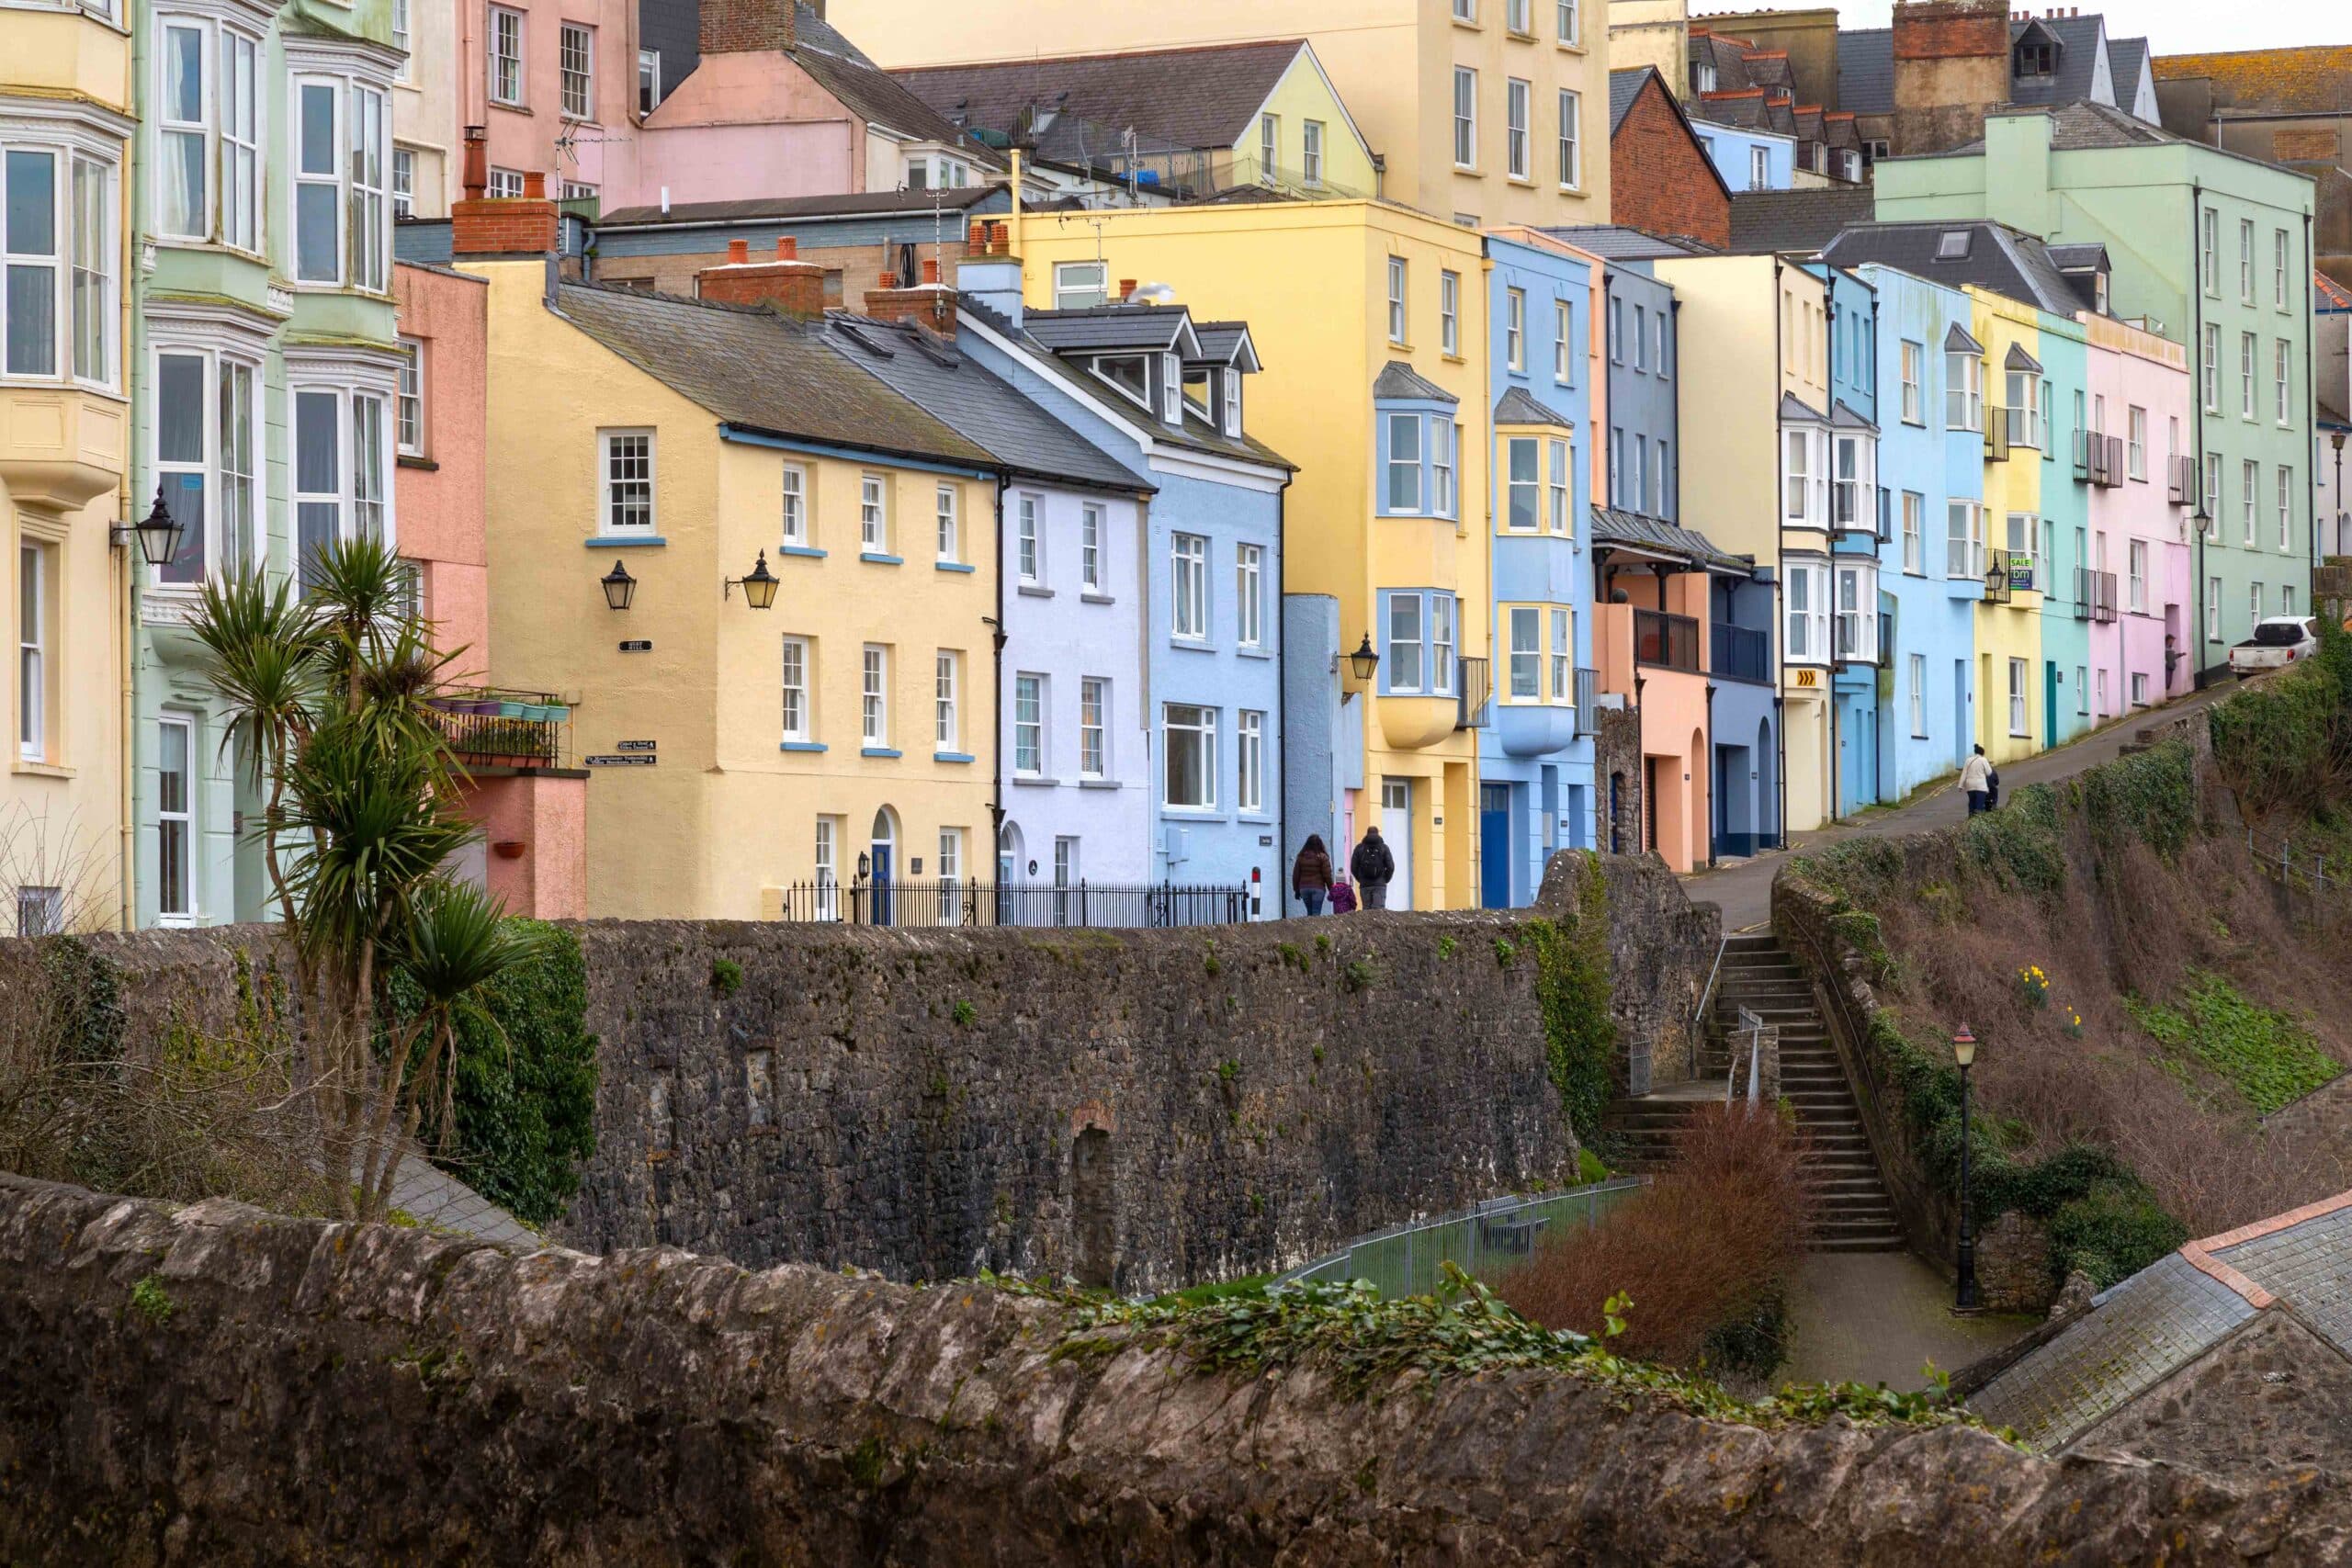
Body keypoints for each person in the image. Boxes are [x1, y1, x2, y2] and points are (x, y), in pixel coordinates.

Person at [1351, 826, 1396, 909]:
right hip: (1379, 884)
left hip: (1365, 885)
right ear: (1378, 834)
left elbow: (1353, 867)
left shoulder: (1359, 848)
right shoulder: (1384, 848)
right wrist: (1385, 879)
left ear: (1367, 834)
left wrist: (1361, 879)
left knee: (1366, 911)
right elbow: (1390, 867)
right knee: (1378, 912)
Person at [1290, 834, 1334, 915]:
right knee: (1316, 913)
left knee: (1309, 913)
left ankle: (1308, 927)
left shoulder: (1301, 857)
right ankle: (1315, 927)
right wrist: (1332, 889)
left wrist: (1296, 890)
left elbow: (1296, 875)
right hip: (1318, 888)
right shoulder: (1323, 857)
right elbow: (1327, 875)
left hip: (1304, 888)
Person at [1960, 744, 1992, 817]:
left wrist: (1960, 785)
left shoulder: (1968, 760)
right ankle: (1977, 819)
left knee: (1972, 802)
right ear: (1983, 753)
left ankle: (1971, 817)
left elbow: (1964, 773)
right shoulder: (1984, 760)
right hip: (1980, 786)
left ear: (1975, 752)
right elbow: (1989, 773)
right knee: (1979, 804)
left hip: (1970, 785)